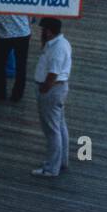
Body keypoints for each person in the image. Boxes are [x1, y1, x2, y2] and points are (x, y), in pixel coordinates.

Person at [31, 18, 72, 179]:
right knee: (60, 126)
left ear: (48, 31)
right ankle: (61, 161)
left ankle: (51, 168)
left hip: (51, 90)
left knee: (51, 130)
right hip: (59, 90)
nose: (41, 33)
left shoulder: (57, 49)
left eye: (42, 30)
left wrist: (44, 90)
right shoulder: (62, 43)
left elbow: (53, 74)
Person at [0, 12, 31, 102]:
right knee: (21, 66)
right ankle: (17, 94)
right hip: (22, 31)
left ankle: (0, 93)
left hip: (2, 33)